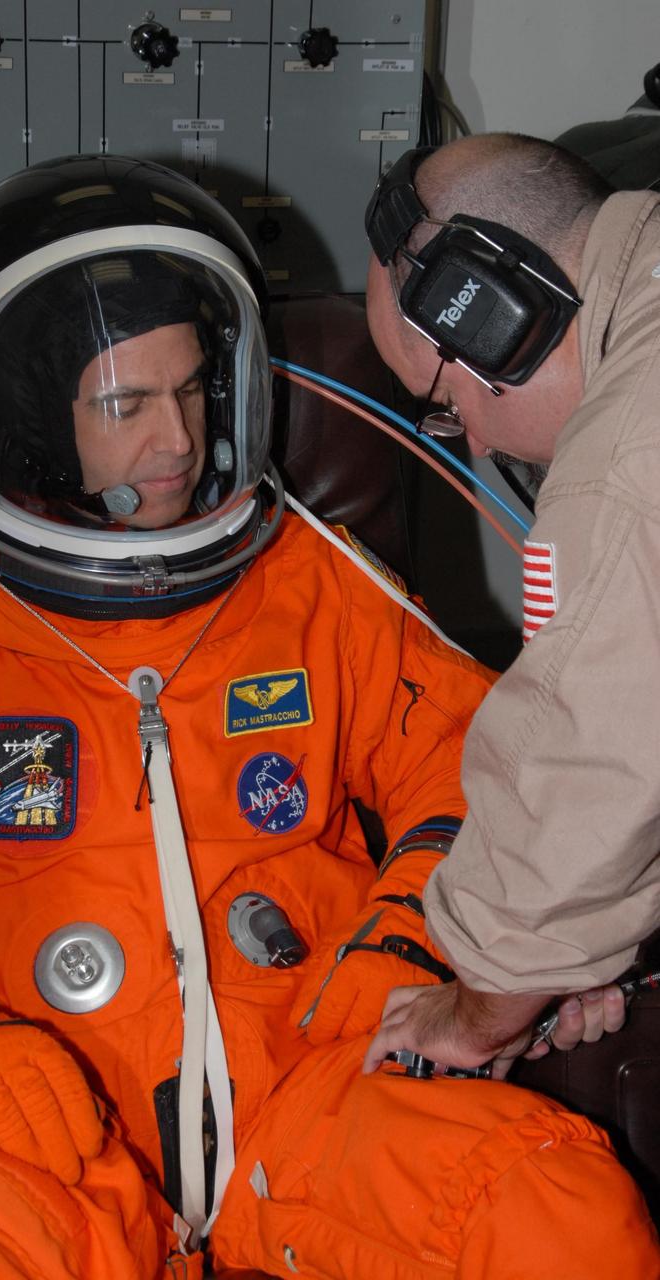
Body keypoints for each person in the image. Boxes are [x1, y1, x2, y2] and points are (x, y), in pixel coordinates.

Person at [0, 154, 657, 1280]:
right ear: (21, 414)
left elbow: (481, 774)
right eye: (125, 404)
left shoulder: (312, 577)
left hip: (315, 1083)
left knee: (562, 1212)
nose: (175, 440)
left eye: (193, 391)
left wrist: (400, 942)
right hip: (20, 1124)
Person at [363, 132, 660, 1078]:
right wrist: (586, 947)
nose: (480, 447)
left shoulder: (625, 464)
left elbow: (587, 755)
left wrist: (484, 1005)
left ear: (499, 316)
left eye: (448, 403)